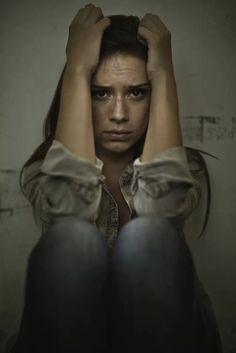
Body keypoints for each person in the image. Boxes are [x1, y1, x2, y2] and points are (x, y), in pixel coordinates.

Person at [12, 4, 222, 353]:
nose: (119, 114)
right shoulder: (43, 171)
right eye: (101, 93)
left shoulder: (186, 171)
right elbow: (70, 219)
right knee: (73, 241)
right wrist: (77, 70)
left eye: (137, 92)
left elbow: (158, 220)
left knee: (149, 238)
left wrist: (164, 74)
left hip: (169, 338)